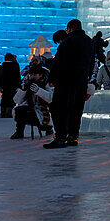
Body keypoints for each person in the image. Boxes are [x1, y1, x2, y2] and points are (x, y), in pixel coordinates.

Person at [45, 18, 94, 149]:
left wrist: (52, 79)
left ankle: (60, 137)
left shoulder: (67, 42)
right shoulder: (89, 41)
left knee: (60, 108)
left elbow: (59, 62)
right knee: (76, 110)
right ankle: (72, 137)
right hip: (81, 80)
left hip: (66, 80)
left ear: (70, 29)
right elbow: (92, 62)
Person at [10, 60, 54, 139]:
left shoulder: (45, 84)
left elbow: (50, 99)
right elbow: (16, 100)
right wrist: (23, 90)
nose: (32, 76)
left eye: (35, 74)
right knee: (20, 110)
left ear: (40, 75)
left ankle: (47, 128)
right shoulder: (26, 83)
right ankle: (19, 131)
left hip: (43, 111)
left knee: (40, 119)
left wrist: (38, 91)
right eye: (30, 74)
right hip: (29, 109)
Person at [0, 52, 21, 118]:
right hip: (13, 84)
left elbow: (1, 76)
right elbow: (17, 75)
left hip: (5, 84)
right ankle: (9, 113)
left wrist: (1, 84)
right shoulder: (15, 65)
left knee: (4, 98)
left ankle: (3, 112)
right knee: (12, 98)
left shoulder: (3, 65)